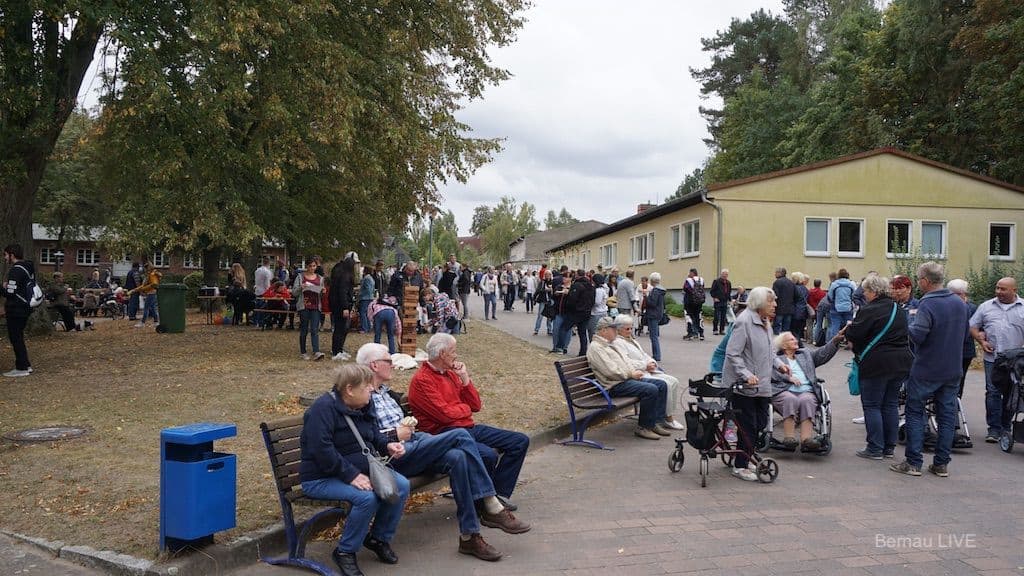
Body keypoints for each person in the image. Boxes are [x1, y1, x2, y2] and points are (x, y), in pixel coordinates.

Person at [357, 344, 528, 562]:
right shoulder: (360, 394)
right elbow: (361, 437)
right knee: (460, 435)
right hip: (393, 456)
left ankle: (470, 536)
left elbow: (474, 406)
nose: (394, 364)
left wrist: (464, 381)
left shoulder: (385, 392)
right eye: (389, 361)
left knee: (458, 457)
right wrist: (393, 435)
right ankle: (491, 503)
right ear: (374, 365)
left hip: (417, 443)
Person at [299, 364, 410, 576]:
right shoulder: (321, 410)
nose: (371, 389)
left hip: (359, 470)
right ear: (349, 389)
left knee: (402, 485)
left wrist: (387, 444)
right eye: (367, 386)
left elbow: (373, 433)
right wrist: (351, 475)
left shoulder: (364, 404)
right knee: (367, 498)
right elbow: (322, 451)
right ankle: (345, 552)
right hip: (321, 478)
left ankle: (378, 538)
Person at [407, 333, 530, 510]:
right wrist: (464, 410)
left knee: (519, 441)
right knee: (488, 454)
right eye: (453, 351)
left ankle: (495, 494)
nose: (456, 355)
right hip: (445, 434)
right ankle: (482, 500)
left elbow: (475, 405)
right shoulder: (422, 380)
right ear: (442, 354)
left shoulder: (450, 373)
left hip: (466, 427)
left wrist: (464, 378)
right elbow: (445, 416)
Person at [891, 262, 969, 477]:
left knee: (915, 412)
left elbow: (918, 335)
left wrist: (906, 326)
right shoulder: (959, 302)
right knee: (946, 415)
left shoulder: (927, 304)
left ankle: (913, 462)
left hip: (926, 368)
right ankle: (941, 464)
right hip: (952, 368)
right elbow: (964, 336)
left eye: (919, 280)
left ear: (925, 281)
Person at [845, 274, 911, 458]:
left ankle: (874, 447)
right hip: (900, 363)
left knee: (872, 405)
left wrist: (849, 330)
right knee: (890, 404)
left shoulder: (870, 310)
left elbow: (856, 334)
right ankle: (889, 447)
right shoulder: (897, 308)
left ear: (873, 291)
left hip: (876, 363)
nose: (864, 294)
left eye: (865, 291)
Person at [724, 286, 781, 481]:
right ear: (759, 303)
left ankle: (747, 456)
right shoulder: (744, 321)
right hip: (744, 385)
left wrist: (780, 365)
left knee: (761, 423)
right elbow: (732, 353)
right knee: (747, 425)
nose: (775, 305)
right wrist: (746, 374)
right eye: (771, 301)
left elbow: (770, 350)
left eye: (774, 301)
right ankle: (740, 466)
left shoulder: (765, 322)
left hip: (762, 384)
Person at [587, 316, 670, 440]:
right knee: (651, 389)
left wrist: (635, 371)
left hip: (624, 380)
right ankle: (644, 427)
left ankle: (655, 422)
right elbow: (610, 372)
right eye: (613, 329)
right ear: (604, 330)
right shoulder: (596, 348)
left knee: (661, 384)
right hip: (614, 385)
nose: (616, 331)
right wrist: (631, 374)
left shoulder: (608, 344)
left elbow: (625, 362)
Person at [970, 277, 1024, 443]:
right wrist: (981, 340)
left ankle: (1006, 426)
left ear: (1014, 290)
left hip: (1016, 360)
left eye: (1003, 289)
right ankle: (993, 429)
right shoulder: (986, 306)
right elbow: (973, 326)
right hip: (993, 358)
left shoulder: (1023, 307)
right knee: (993, 391)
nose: (999, 292)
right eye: (997, 288)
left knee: (1012, 392)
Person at [771, 328, 841, 451]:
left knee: (807, 400)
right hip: (783, 390)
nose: (795, 340)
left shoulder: (805, 354)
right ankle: (789, 438)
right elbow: (771, 375)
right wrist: (788, 378)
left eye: (794, 338)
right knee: (790, 399)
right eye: (791, 339)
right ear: (783, 345)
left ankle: (806, 439)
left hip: (806, 390)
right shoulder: (776, 359)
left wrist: (835, 340)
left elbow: (822, 353)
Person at [611, 315, 684, 430]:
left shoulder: (631, 340)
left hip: (646, 370)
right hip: (637, 373)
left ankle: (666, 416)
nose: (630, 331)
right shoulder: (618, 342)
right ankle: (666, 418)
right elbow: (626, 362)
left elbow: (643, 354)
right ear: (618, 329)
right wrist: (645, 366)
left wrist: (652, 362)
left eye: (631, 328)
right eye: (627, 329)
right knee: (665, 384)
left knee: (674, 381)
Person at [2, 244, 35, 377]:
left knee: (15, 337)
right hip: (25, 307)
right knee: (18, 337)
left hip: (16, 309)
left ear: (12, 255)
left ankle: (22, 367)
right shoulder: (28, 267)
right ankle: (25, 364)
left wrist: (2, 287)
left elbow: (10, 293)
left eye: (5, 255)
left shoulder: (16, 270)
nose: (5, 258)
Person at [329, 252, 359, 361]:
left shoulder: (339, 270)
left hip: (338, 304)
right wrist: (345, 307)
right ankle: (336, 351)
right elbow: (342, 291)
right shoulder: (344, 274)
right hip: (341, 305)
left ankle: (339, 349)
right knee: (340, 328)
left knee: (343, 328)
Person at [293, 259, 325, 361]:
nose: (312, 268)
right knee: (304, 329)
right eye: (310, 266)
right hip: (304, 306)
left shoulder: (320, 278)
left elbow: (321, 293)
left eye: (314, 266)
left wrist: (322, 291)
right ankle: (303, 351)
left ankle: (316, 351)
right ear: (306, 266)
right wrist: (301, 287)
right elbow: (294, 292)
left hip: (315, 306)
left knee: (315, 329)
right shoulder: (300, 277)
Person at [563, 270, 595, 356]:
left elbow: (572, 299)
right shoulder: (591, 285)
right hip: (586, 312)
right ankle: (583, 352)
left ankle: (561, 347)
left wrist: (569, 308)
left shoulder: (576, 285)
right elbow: (593, 300)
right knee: (582, 332)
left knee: (565, 328)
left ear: (577, 275)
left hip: (577, 312)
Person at [642, 272, 667, 362]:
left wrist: (646, 296)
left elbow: (652, 303)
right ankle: (656, 354)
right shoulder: (661, 290)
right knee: (654, 335)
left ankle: (656, 355)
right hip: (658, 313)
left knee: (653, 336)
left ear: (652, 280)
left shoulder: (656, 291)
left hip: (653, 314)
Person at [128, 262, 161, 328]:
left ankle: (142, 323)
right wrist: (134, 290)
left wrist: (143, 289)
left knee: (146, 308)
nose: (144, 269)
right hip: (153, 293)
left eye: (145, 268)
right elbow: (143, 285)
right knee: (153, 308)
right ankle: (156, 322)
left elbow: (154, 284)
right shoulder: (150, 275)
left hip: (151, 293)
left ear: (148, 268)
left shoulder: (151, 274)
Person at [827, 268, 857, 340]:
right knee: (849, 325)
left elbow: (830, 296)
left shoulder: (834, 284)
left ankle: (834, 342)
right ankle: (849, 340)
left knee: (835, 326)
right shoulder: (851, 284)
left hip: (835, 308)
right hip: (848, 307)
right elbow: (854, 295)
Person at [682, 268, 706, 340]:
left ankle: (690, 333)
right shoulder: (701, 280)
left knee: (688, 316)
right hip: (699, 302)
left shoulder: (688, 280)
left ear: (692, 273)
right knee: (699, 316)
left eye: (689, 273)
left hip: (689, 302)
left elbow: (685, 289)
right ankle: (701, 333)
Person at [771, 267, 795, 336]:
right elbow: (795, 295)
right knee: (786, 328)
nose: (775, 274)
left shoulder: (777, 282)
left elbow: (775, 296)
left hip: (779, 309)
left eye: (776, 272)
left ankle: (776, 343)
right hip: (789, 309)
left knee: (777, 327)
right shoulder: (791, 283)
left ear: (780, 273)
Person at [709, 269, 732, 336]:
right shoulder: (716, 281)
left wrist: (730, 300)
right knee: (716, 316)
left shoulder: (728, 283)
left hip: (725, 301)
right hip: (718, 301)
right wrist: (714, 297)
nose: (726, 275)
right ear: (721, 274)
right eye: (724, 274)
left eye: (727, 274)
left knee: (723, 317)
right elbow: (712, 291)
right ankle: (715, 330)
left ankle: (722, 330)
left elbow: (729, 292)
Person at [533, 269, 553, 336]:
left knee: (549, 316)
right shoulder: (542, 282)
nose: (548, 276)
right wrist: (545, 290)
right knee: (540, 316)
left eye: (549, 274)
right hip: (543, 300)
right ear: (545, 275)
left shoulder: (552, 282)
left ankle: (549, 330)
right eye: (546, 274)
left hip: (550, 300)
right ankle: (536, 330)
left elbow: (555, 291)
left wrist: (551, 290)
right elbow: (538, 290)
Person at [358, 266, 376, 334]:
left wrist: (361, 293)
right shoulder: (371, 278)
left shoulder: (366, 278)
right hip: (370, 297)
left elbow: (368, 289)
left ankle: (364, 328)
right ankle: (368, 327)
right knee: (368, 313)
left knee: (363, 313)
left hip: (365, 298)